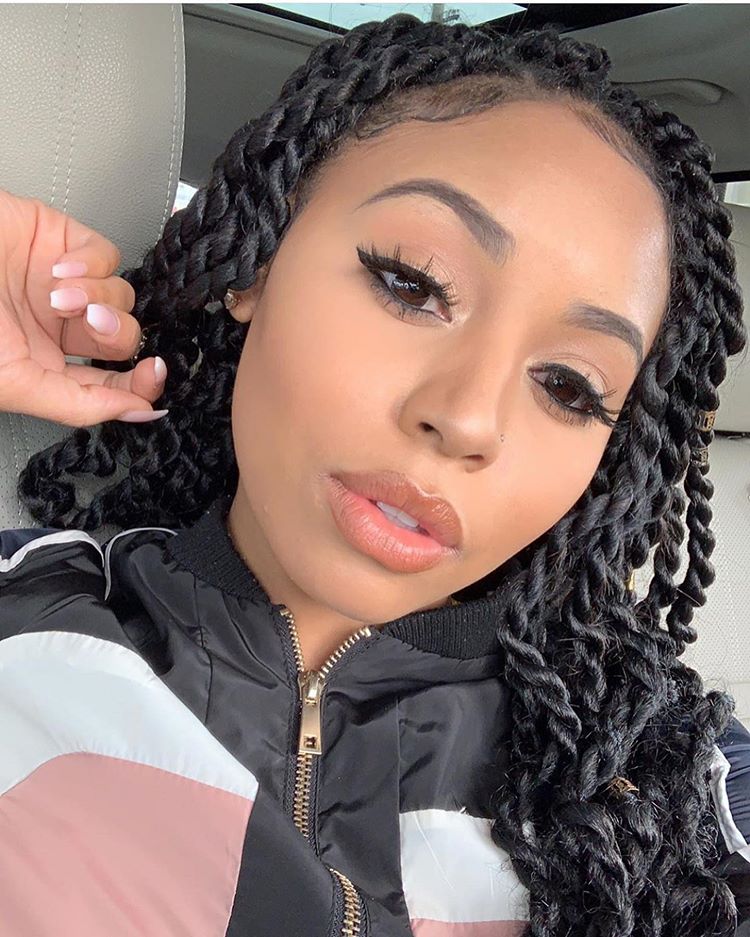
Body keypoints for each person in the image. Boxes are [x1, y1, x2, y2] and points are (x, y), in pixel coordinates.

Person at [0, 12, 747, 937]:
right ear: (256, 264)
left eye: (568, 385)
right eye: (411, 283)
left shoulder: (670, 772)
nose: (466, 417)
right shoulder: (27, 631)